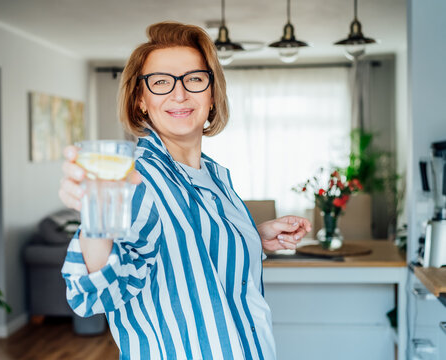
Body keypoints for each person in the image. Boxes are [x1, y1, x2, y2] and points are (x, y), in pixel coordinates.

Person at [59, 21, 312, 359]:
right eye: (161, 82)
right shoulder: (134, 179)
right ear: (141, 101)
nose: (179, 94)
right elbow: (93, 295)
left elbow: (195, 253)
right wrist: (96, 216)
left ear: (211, 95)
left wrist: (249, 236)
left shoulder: (215, 177)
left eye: (194, 79)